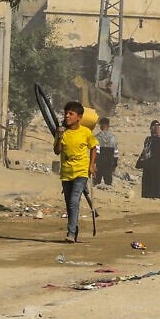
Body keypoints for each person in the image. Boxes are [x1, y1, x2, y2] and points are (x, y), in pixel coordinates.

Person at [53, 101, 96, 243]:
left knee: (73, 201)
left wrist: (91, 165)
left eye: (71, 113)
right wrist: (59, 137)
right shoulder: (62, 132)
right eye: (66, 113)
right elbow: (57, 151)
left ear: (79, 117)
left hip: (81, 172)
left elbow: (94, 147)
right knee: (68, 203)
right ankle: (74, 229)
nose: (67, 116)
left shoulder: (86, 132)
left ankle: (71, 233)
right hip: (66, 172)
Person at [138, 120, 160, 199]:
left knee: (148, 183)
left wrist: (141, 162)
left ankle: (149, 198)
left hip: (150, 165)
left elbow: (146, 152)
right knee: (159, 183)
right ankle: (158, 197)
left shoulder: (149, 139)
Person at [92, 117, 118, 187]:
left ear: (101, 125)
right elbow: (116, 152)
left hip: (99, 162)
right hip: (109, 163)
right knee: (108, 184)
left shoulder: (97, 137)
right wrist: (115, 164)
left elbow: (96, 152)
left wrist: (93, 163)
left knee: (96, 183)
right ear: (108, 125)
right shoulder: (113, 138)